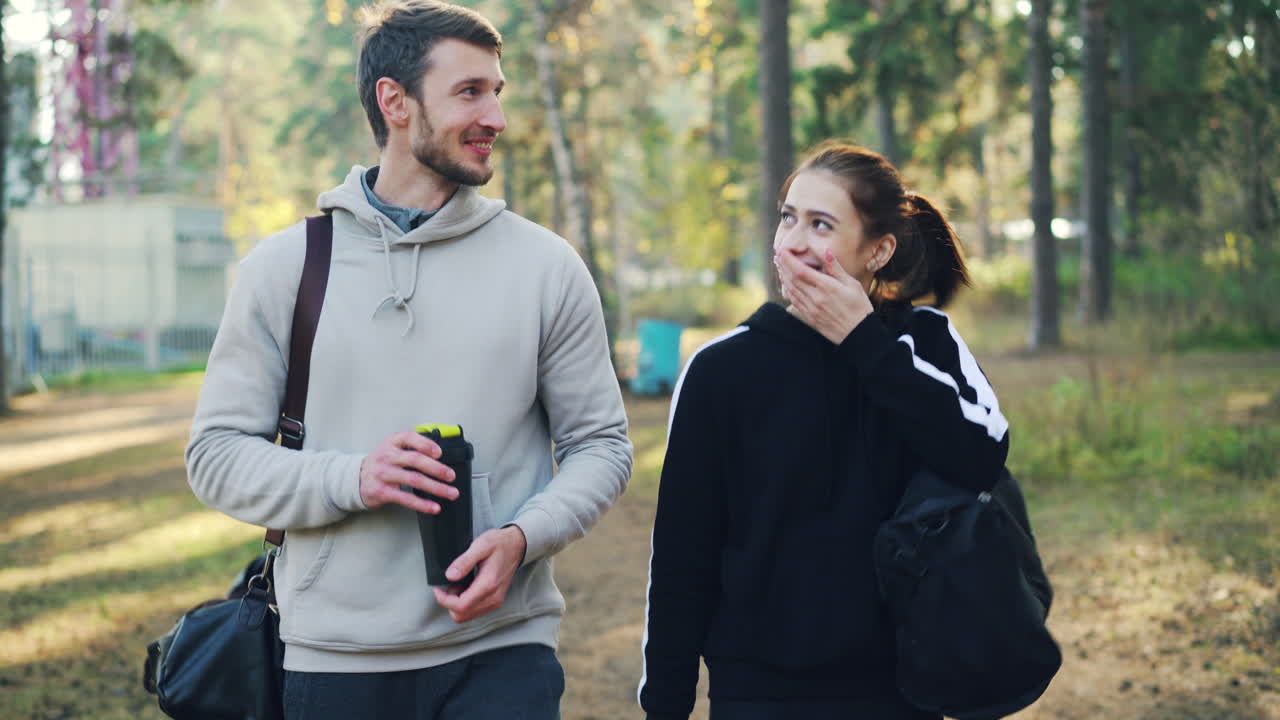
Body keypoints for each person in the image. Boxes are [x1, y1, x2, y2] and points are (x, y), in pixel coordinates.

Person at [186, 2, 633, 718]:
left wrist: (524, 538)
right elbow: (214, 456)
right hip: (332, 661)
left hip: (502, 652)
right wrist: (355, 476)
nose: (496, 116)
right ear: (394, 102)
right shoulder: (285, 268)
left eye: (498, 91)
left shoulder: (546, 266)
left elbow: (602, 446)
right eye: (469, 92)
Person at [638, 141, 1009, 720]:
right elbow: (684, 557)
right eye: (788, 217)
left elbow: (981, 457)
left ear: (878, 250)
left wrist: (866, 345)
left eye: (821, 224)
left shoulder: (926, 345)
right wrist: (666, 704)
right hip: (757, 696)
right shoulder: (720, 370)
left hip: (902, 692)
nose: (793, 241)